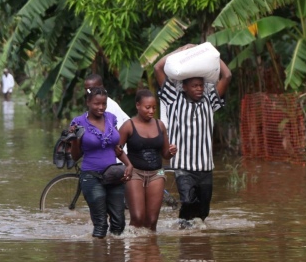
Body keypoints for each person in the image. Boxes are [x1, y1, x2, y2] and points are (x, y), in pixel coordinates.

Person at [154, 44, 232, 228]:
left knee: (203, 211)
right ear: (185, 87)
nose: (199, 89)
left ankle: (194, 240)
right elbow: (157, 68)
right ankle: (184, 233)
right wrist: (181, 50)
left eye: (201, 85)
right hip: (183, 166)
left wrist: (211, 54)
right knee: (188, 201)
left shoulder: (209, 100)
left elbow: (227, 76)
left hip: (205, 167)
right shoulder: (173, 98)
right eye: (195, 86)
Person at [69, 87, 133, 238]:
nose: (101, 107)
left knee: (119, 223)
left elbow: (116, 147)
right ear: (88, 102)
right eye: (97, 104)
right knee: (100, 225)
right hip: (91, 177)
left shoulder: (111, 118)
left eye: (104, 104)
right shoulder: (78, 122)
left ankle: (114, 259)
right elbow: (75, 156)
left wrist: (129, 165)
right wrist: (75, 139)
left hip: (114, 175)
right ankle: (99, 260)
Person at [118, 89, 177, 231]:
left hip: (157, 173)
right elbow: (117, 149)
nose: (151, 111)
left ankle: (151, 251)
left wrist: (171, 152)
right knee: (138, 217)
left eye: (154, 108)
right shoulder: (128, 126)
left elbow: (165, 154)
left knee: (152, 220)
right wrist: (128, 164)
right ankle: (136, 250)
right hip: (135, 174)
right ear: (138, 105)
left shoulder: (160, 125)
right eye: (147, 107)